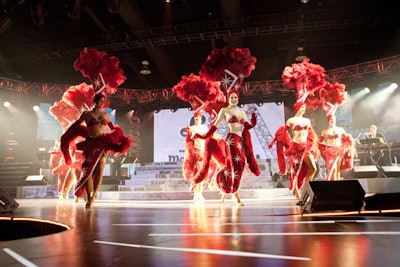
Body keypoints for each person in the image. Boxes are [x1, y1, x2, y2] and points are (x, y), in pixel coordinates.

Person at [61, 93, 130, 208]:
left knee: (100, 171)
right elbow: (74, 127)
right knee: (87, 172)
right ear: (94, 101)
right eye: (99, 101)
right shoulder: (86, 114)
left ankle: (93, 197)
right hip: (90, 144)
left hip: (103, 145)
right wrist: (66, 136)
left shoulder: (106, 115)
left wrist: (122, 142)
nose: (101, 103)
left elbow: (114, 130)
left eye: (103, 101)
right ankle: (88, 195)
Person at [192, 89, 260, 206]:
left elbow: (246, 127)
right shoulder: (224, 110)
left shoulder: (241, 113)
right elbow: (215, 127)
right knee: (233, 166)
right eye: (231, 97)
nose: (234, 99)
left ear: (238, 98)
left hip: (239, 141)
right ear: (228, 99)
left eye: (235, 97)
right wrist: (204, 136)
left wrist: (253, 124)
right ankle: (236, 196)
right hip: (231, 141)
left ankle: (223, 183)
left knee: (240, 164)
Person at [269, 102, 318, 200]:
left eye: (304, 107)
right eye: (302, 107)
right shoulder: (291, 120)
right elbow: (282, 132)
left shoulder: (307, 120)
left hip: (305, 147)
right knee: (295, 172)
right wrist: (275, 140)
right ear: (297, 108)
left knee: (313, 169)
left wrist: (316, 142)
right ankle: (296, 193)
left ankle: (305, 188)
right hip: (295, 147)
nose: (304, 109)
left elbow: (311, 134)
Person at [182, 110, 211, 202]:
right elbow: (188, 141)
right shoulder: (191, 128)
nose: (197, 119)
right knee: (197, 174)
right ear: (194, 118)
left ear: (201, 118)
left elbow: (208, 140)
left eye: (199, 117)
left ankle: (200, 193)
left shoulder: (205, 128)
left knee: (203, 174)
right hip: (196, 153)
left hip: (204, 152)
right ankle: (196, 194)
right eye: (196, 118)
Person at [318, 114, 355, 181]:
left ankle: (338, 185)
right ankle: (333, 185)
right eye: (331, 119)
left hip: (338, 150)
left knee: (338, 169)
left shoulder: (340, 129)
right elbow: (320, 141)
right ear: (328, 120)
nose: (333, 120)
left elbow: (346, 139)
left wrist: (344, 147)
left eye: (334, 119)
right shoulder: (325, 131)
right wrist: (323, 147)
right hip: (330, 151)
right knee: (333, 169)